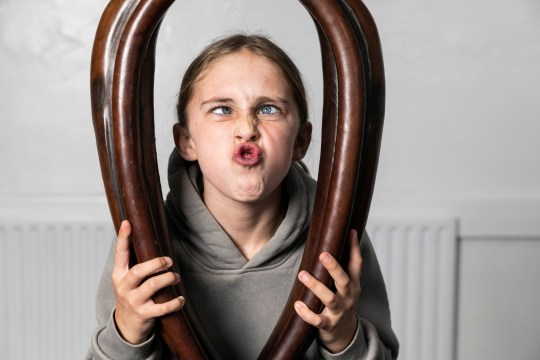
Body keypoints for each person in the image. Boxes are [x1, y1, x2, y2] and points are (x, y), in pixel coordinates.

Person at [87, 34, 399, 360]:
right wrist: (127, 333)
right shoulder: (145, 245)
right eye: (222, 109)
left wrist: (344, 338)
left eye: (268, 109)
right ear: (186, 141)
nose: (246, 128)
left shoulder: (337, 242)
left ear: (301, 141)